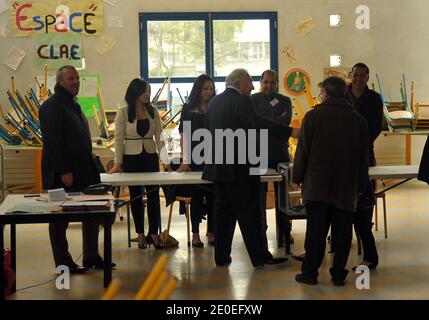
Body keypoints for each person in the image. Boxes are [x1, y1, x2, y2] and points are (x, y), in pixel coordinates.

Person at [202, 68, 299, 268]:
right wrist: (289, 131)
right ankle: (260, 257)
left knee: (223, 215)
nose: (253, 86)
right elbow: (257, 123)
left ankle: (221, 257)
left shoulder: (214, 101)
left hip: (219, 168)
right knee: (250, 214)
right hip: (240, 168)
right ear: (239, 83)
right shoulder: (241, 100)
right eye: (250, 82)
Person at [293, 76, 369, 286]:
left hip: (317, 185)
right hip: (346, 187)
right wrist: (361, 185)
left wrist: (297, 177)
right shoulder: (358, 120)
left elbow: (303, 152)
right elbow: (364, 159)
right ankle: (337, 274)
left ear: (325, 93)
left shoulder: (312, 116)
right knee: (343, 234)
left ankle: (310, 273)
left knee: (316, 233)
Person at [39, 65, 114, 273]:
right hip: (62, 174)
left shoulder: (73, 104)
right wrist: (64, 171)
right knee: (59, 219)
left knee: (91, 212)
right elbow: (54, 143)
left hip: (83, 170)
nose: (75, 82)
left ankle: (91, 255)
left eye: (77, 78)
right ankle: (63, 263)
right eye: (70, 79)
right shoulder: (52, 107)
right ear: (60, 82)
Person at [109, 78, 170, 249]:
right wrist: (117, 163)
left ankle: (153, 233)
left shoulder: (154, 111)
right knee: (136, 197)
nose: (147, 95)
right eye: (144, 91)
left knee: (153, 197)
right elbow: (118, 138)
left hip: (150, 157)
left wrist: (165, 161)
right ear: (135, 92)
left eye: (149, 91)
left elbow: (159, 137)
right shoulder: (123, 112)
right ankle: (140, 234)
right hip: (131, 158)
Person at [250, 69, 293, 254]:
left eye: (272, 82)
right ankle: (260, 231)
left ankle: (284, 232)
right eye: (265, 82)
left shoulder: (285, 101)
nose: (269, 85)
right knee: (258, 198)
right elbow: (252, 123)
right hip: (258, 155)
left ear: (277, 83)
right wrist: (275, 120)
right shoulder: (252, 100)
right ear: (261, 82)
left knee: (282, 196)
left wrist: (264, 121)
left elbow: (286, 122)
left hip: (280, 154)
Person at [346, 63, 383, 270]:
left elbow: (377, 126)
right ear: (351, 76)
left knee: (363, 205)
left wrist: (363, 144)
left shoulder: (374, 98)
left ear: (367, 77)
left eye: (362, 76)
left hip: (364, 154)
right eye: (356, 75)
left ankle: (369, 252)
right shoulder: (343, 94)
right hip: (342, 155)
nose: (359, 79)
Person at [177, 74, 216, 248]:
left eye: (211, 88)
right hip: (194, 156)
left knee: (214, 196)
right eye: (205, 88)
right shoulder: (188, 108)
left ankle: (211, 231)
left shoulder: (216, 106)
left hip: (214, 156)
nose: (209, 92)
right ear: (198, 89)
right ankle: (195, 234)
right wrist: (185, 160)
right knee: (197, 197)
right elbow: (183, 135)